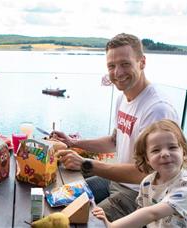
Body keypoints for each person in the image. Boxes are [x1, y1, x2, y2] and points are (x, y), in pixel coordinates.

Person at [53, 33, 179, 221]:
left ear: (142, 62)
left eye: (125, 64)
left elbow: (146, 172)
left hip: (140, 195)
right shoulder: (123, 97)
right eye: (111, 66)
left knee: (82, 221)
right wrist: (72, 143)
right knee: (57, 198)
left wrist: (87, 164)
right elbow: (114, 141)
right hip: (116, 182)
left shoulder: (157, 109)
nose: (118, 72)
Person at [92, 119, 187, 227]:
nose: (165, 154)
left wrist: (112, 226)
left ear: (184, 152)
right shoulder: (147, 182)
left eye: (172, 147)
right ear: (147, 159)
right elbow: (141, 216)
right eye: (156, 150)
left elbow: (152, 214)